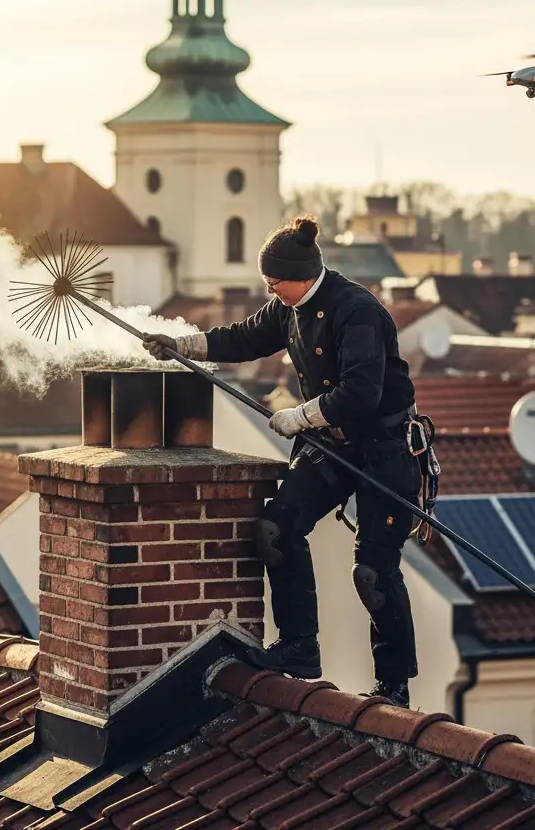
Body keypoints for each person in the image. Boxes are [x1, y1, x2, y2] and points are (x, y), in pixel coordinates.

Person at [142, 214, 422, 707]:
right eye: (266, 284)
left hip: (384, 449)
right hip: (332, 444)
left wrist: (302, 415)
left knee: (373, 573)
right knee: (275, 529)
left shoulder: (356, 311)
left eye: (275, 283)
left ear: (302, 275)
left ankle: (394, 686)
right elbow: (245, 338)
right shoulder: (287, 308)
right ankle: (299, 647)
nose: (271, 292)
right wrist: (183, 345)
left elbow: (361, 391)